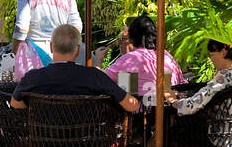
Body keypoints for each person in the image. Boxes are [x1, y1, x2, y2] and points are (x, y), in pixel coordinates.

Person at [11, 25, 140, 113]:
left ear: (51, 47)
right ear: (78, 50)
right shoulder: (94, 76)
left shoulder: (33, 77)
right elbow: (132, 105)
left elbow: (15, 104)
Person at [11, 0, 83, 82]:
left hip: (33, 52)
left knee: (34, 93)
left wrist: (15, 52)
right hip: (62, 50)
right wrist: (72, 50)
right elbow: (76, 26)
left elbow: (21, 27)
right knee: (59, 90)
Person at [96, 15, 186, 103]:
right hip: (170, 112)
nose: (119, 42)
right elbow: (182, 84)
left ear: (131, 38)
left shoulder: (130, 59)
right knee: (126, 80)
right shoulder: (167, 56)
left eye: (123, 38)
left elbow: (100, 81)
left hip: (140, 114)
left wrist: (99, 60)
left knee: (125, 81)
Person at [171, 40, 232, 115]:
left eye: (212, 54)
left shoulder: (223, 77)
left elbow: (191, 105)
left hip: (222, 130)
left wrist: (172, 100)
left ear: (224, 52)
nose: (212, 59)